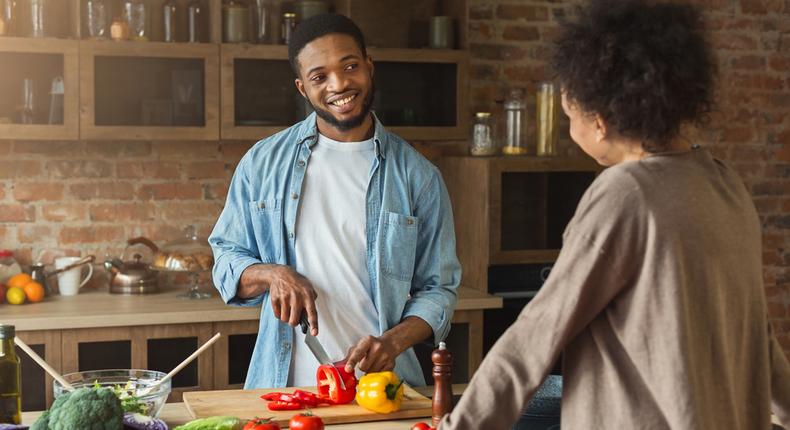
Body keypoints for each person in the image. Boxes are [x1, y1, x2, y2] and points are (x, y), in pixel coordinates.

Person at [440, 0, 790, 428]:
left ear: (601, 122)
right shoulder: (724, 185)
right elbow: (759, 338)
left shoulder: (626, 193)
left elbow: (535, 336)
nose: (572, 132)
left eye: (570, 117)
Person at [209, 13, 461, 389]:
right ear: (302, 88)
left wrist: (392, 342)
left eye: (350, 66)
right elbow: (225, 260)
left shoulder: (419, 177)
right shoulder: (261, 163)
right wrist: (272, 274)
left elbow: (439, 289)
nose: (339, 84)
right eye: (319, 76)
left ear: (369, 67)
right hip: (283, 388)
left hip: (382, 388)